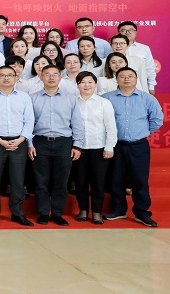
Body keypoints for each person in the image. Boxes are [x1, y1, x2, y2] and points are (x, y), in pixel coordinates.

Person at [102, 67, 164, 227]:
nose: (126, 79)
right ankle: (118, 209)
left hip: (139, 145)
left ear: (136, 79)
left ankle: (142, 213)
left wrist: (142, 132)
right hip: (115, 145)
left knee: (140, 180)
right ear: (116, 79)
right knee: (116, 178)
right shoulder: (107, 98)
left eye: (130, 76)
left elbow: (157, 119)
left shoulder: (147, 98)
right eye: (122, 76)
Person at [28, 65, 85, 226]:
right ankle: (43, 213)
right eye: (47, 74)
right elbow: (28, 124)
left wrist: (77, 145)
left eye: (55, 75)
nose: (51, 77)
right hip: (40, 142)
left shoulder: (70, 98)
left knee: (61, 181)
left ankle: (58, 213)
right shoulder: (32, 98)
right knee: (41, 180)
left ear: (60, 78)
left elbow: (77, 123)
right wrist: (29, 144)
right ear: (41, 77)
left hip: (63, 143)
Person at [0, 65, 35, 226]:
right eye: (2, 75)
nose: (6, 78)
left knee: (18, 181)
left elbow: (29, 120)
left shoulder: (24, 97)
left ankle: (17, 213)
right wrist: (0, 140)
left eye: (10, 75)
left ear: (16, 78)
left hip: (19, 143)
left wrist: (21, 140)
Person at [74, 72, 117, 225]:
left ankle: (97, 211)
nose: (86, 85)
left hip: (99, 148)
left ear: (95, 84)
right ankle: (83, 209)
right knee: (80, 181)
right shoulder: (73, 102)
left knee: (98, 182)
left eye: (90, 82)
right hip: (78, 149)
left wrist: (109, 147)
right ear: (77, 85)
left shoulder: (104, 103)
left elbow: (111, 126)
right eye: (82, 82)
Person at [117, 21, 156, 94]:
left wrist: (151, 86)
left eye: (131, 30)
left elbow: (150, 68)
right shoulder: (114, 48)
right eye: (124, 30)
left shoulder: (144, 48)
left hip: (140, 84)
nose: (127, 32)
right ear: (119, 33)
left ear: (136, 33)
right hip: (118, 85)